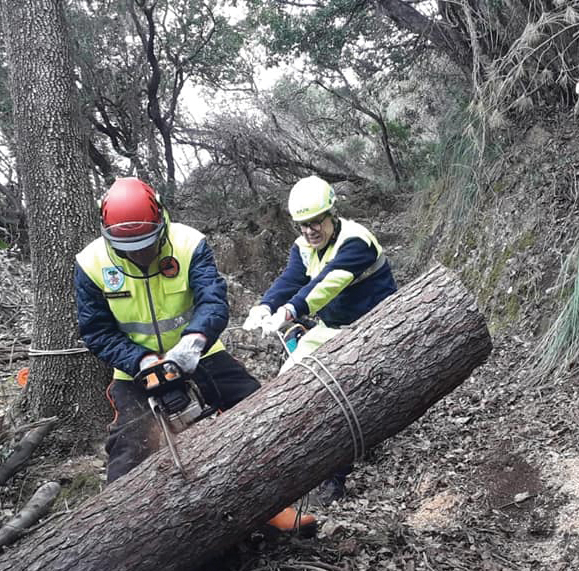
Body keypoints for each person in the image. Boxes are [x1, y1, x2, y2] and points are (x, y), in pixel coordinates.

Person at [74, 177, 315, 533]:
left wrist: (193, 341)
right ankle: (123, 535)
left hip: (198, 353)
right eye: (130, 248)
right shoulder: (92, 264)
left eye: (147, 245)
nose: (140, 254)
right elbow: (96, 331)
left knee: (257, 408)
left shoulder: (188, 244)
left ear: (161, 222)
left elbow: (213, 300)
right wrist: (140, 361)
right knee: (128, 448)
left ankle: (273, 506)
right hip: (134, 370)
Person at [242, 175, 398, 504]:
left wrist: (290, 311)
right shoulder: (304, 246)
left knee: (338, 395)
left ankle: (335, 477)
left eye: (316, 223)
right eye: (303, 225)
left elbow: (328, 284)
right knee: (289, 380)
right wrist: (265, 305)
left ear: (331, 215)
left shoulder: (357, 242)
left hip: (374, 327)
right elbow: (291, 279)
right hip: (332, 327)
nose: (310, 231)